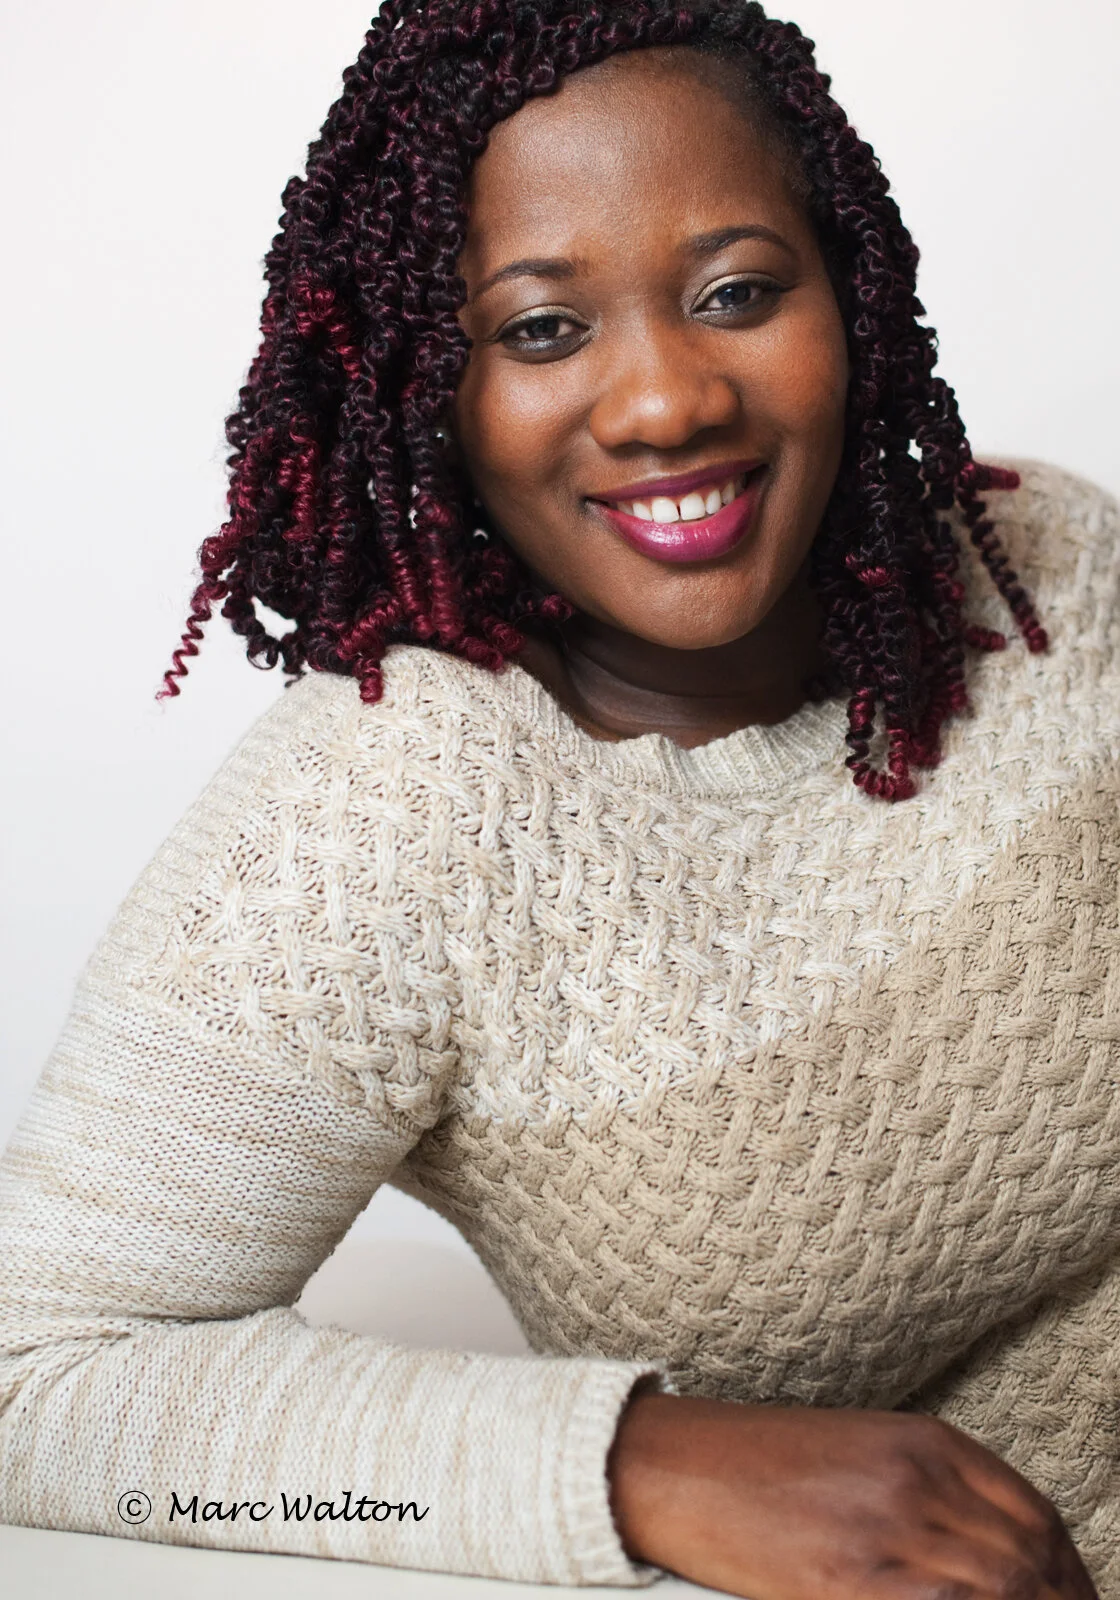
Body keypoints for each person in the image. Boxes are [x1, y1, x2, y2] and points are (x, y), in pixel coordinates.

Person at [1, 1, 1116, 1596]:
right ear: (420, 381)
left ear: (851, 288)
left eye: (737, 293)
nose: (665, 401)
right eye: (538, 330)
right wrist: (627, 1466)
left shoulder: (1058, 570)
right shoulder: (393, 815)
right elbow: (32, 1377)